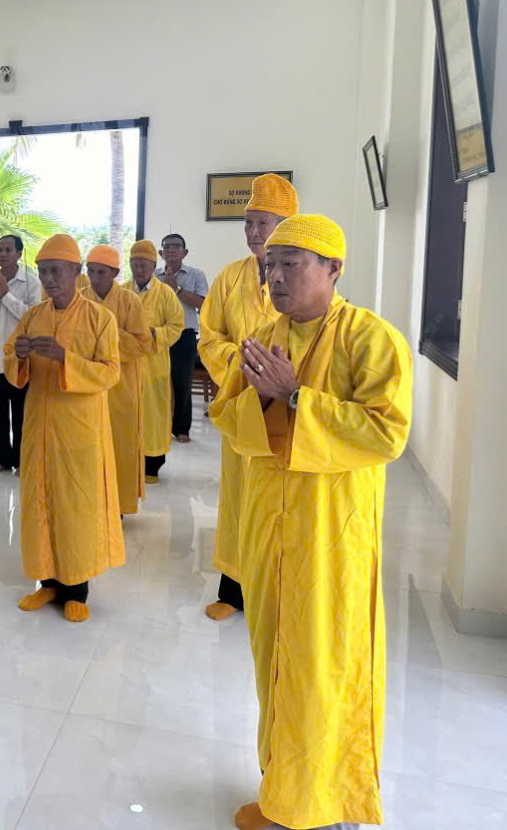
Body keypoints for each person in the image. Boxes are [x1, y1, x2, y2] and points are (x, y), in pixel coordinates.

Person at [209, 215, 411, 830]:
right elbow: (227, 417)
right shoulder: (262, 336)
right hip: (269, 532)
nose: (273, 277)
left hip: (331, 539)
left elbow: (386, 432)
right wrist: (262, 397)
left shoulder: (370, 339)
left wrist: (298, 397)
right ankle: (283, 793)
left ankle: (322, 805)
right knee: (275, 663)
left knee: (322, 668)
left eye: (290, 264)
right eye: (270, 265)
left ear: (333, 269)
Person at [3, 233, 122, 622]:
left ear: (76, 272)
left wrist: (65, 359)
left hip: (79, 431)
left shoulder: (99, 318)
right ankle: (48, 582)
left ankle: (77, 588)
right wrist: (20, 356)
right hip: (38, 426)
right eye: (43, 272)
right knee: (40, 500)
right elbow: (11, 356)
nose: (49, 279)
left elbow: (111, 372)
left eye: (56, 271)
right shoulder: (32, 316)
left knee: (74, 506)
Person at [199, 172, 298, 622]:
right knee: (239, 495)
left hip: (286, 411)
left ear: (285, 226)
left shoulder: (301, 277)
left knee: (279, 501)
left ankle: (277, 593)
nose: (253, 232)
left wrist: (277, 375)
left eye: (263, 223)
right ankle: (233, 589)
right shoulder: (229, 277)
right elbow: (209, 336)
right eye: (248, 222)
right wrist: (240, 364)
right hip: (242, 406)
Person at [81, 244, 152, 515]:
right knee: (88, 446)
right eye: (91, 271)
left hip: (121, 387)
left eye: (101, 272)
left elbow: (142, 344)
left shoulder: (129, 301)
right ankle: (90, 502)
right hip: (88, 383)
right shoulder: (80, 299)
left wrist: (107, 333)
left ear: (115, 273)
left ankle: (118, 505)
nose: (94, 278)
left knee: (120, 445)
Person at [0, 234, 43, 474]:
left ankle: (23, 461)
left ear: (19, 254)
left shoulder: (31, 283)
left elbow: (33, 318)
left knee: (22, 413)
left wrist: (7, 296)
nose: (2, 254)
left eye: (8, 250)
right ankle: (0, 460)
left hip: (21, 359)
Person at [127, 240, 184, 483]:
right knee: (128, 415)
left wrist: (155, 333)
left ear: (153, 266)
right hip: (127, 367)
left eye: (144, 265)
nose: (139, 269)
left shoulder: (165, 293)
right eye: (135, 264)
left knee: (153, 416)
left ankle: (152, 465)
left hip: (154, 367)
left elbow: (176, 326)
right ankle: (129, 463)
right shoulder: (122, 292)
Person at [156, 233, 208, 443]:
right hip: (158, 334)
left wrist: (175, 287)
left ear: (184, 252)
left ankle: (181, 429)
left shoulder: (196, 275)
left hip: (184, 334)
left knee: (182, 382)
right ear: (160, 253)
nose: (171, 250)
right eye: (167, 247)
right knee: (157, 381)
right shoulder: (153, 275)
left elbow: (202, 303)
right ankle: (158, 426)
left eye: (176, 246)